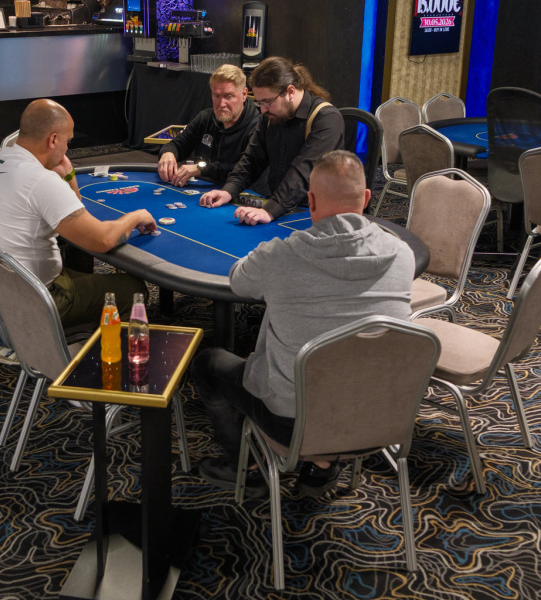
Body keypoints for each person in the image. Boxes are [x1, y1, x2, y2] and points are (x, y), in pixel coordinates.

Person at [192, 151, 414, 497]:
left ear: (310, 201)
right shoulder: (402, 254)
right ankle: (321, 467)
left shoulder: (279, 256)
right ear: (366, 198)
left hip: (292, 425)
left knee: (208, 362)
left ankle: (245, 469)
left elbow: (238, 281)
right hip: (381, 417)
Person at [0, 98, 153, 329]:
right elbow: (102, 240)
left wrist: (68, 173)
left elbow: (73, 209)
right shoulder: (40, 180)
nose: (67, 149)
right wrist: (136, 216)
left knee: (78, 258)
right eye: (68, 141)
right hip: (35, 300)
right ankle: (90, 346)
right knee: (134, 289)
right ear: (53, 139)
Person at [199, 57, 344, 225]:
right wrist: (228, 191)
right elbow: (252, 160)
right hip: (283, 210)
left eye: (267, 102)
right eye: (259, 102)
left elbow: (303, 173)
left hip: (319, 215)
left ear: (290, 92)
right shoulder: (269, 116)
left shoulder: (327, 119)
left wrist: (269, 211)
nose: (262, 109)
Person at [157, 64, 260, 187]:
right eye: (217, 96)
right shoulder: (205, 118)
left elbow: (244, 170)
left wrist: (202, 168)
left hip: (243, 192)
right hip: (204, 189)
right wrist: (168, 153)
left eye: (228, 96)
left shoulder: (257, 127)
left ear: (244, 94)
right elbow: (176, 145)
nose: (221, 104)